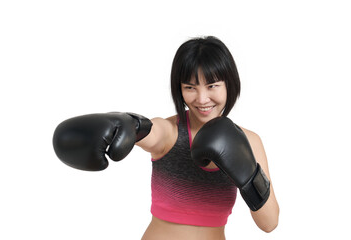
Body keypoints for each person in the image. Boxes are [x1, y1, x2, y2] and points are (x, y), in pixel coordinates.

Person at [53, 36, 279, 240]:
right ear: (179, 89)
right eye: (190, 87)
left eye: (212, 86)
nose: (202, 98)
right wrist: (128, 123)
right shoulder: (169, 131)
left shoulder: (250, 142)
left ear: (229, 84)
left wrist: (249, 176)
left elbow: (269, 224)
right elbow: (150, 131)